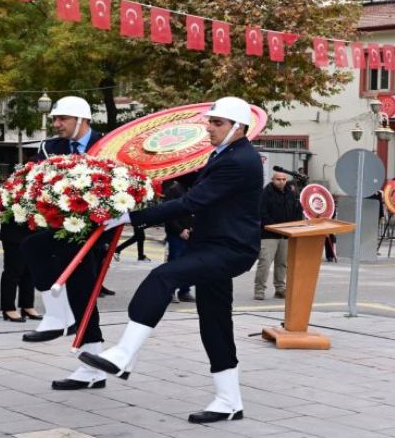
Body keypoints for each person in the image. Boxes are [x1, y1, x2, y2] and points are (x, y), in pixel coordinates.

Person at [78, 97, 262, 424]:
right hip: (211, 246)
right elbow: (194, 181)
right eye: (210, 121)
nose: (209, 127)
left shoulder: (239, 160)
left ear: (239, 127)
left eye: (217, 123)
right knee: (215, 320)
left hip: (229, 250)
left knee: (163, 277)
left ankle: (123, 354)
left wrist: (131, 218)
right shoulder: (224, 154)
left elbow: (192, 201)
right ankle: (228, 400)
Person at [17, 95, 116, 391]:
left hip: (97, 229)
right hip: (63, 226)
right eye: (55, 119)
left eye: (62, 119)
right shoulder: (49, 147)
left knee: (81, 292)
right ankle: (87, 360)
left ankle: (62, 322)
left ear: (82, 120)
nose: (56, 124)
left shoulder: (108, 144)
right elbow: (34, 177)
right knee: (79, 292)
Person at [255, 171, 301, 300]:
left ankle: (280, 288)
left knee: (282, 263)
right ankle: (259, 290)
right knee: (264, 263)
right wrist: (276, 227)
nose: (281, 181)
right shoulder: (265, 194)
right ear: (272, 180)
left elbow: (297, 211)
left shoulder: (291, 194)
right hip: (269, 234)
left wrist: (293, 226)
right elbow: (262, 214)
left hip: (286, 235)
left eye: (284, 179)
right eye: (278, 179)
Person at [0, 221, 40, 323]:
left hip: (34, 231)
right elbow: (4, 205)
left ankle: (27, 306)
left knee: (29, 271)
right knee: (13, 271)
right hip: (15, 231)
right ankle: (8, 308)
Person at [162, 179, 194, 303]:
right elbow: (169, 213)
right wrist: (180, 230)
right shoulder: (173, 190)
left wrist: (191, 227)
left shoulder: (190, 188)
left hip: (188, 231)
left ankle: (184, 290)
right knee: (175, 261)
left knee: (188, 263)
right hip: (177, 232)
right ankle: (170, 291)